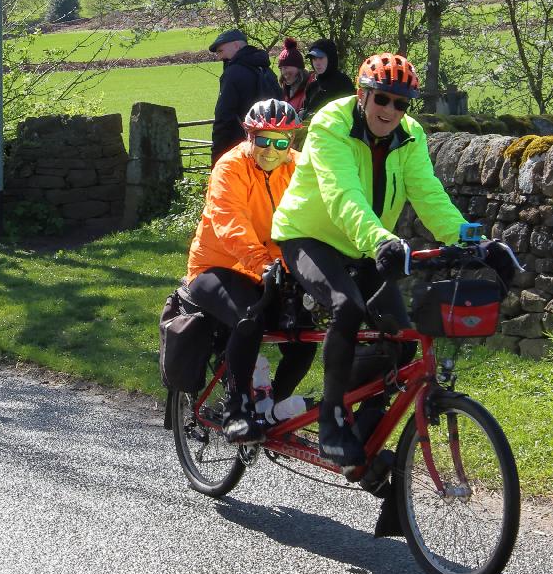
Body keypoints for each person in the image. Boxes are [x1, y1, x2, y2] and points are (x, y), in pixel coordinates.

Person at [270, 53, 476, 470]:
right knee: (347, 306)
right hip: (308, 236)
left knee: (400, 336)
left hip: (364, 243)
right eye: (383, 99)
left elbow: (428, 194)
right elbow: (342, 194)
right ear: (363, 95)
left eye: (401, 104)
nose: (390, 111)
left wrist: (469, 238)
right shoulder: (332, 124)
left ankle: (363, 425)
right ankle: (330, 420)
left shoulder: (411, 136)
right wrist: (381, 239)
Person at [181, 98, 317, 442]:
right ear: (249, 136)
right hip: (218, 266)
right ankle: (237, 408)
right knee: (249, 319)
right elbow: (231, 224)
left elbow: (319, 217)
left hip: (270, 269)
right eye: (263, 140)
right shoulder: (230, 167)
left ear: (292, 142)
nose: (271, 150)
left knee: (304, 341)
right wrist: (264, 264)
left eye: (281, 141)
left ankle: (270, 410)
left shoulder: (300, 169)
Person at [208, 28, 278, 164]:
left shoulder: (233, 73)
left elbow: (224, 117)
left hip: (242, 151)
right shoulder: (267, 71)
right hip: (272, 148)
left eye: (221, 51)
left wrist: (217, 158)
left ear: (236, 45)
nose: (219, 57)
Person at [301, 39, 355, 118]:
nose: (317, 63)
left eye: (321, 58)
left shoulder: (343, 83)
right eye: (314, 59)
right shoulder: (312, 87)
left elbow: (350, 114)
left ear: (330, 58)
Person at [275, 37, 309, 111]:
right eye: (281, 68)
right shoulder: (284, 91)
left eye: (286, 67)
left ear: (298, 67)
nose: (283, 72)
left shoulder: (310, 89)